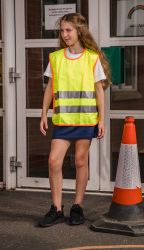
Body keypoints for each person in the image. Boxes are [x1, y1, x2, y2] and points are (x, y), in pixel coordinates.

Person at [39, 13, 111, 227]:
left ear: (79, 31)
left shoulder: (92, 58)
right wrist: (44, 113)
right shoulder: (56, 57)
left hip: (86, 119)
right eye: (62, 30)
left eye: (68, 30)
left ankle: (77, 206)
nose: (64, 34)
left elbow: (100, 90)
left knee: (80, 161)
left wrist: (101, 120)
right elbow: (50, 87)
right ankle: (57, 209)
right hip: (63, 120)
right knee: (54, 161)